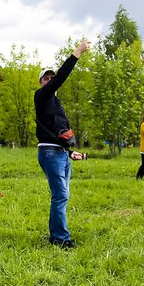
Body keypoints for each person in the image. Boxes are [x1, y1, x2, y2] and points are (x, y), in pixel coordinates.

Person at [35, 40, 90, 249]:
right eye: (46, 78)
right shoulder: (42, 95)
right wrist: (77, 52)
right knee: (61, 195)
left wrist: (70, 150)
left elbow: (56, 132)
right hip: (49, 153)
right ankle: (60, 239)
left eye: (51, 77)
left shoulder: (56, 104)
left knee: (61, 196)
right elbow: (61, 76)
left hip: (60, 153)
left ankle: (56, 234)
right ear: (41, 82)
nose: (50, 80)